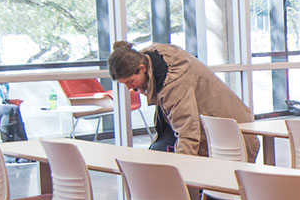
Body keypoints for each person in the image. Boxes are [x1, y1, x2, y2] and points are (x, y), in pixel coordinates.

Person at [108, 41, 260, 162]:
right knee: (158, 152)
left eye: (130, 81)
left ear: (141, 69)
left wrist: (181, 172)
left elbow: (188, 133)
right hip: (211, 131)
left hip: (228, 137)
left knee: (210, 197)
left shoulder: (173, 82)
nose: (130, 88)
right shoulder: (152, 58)